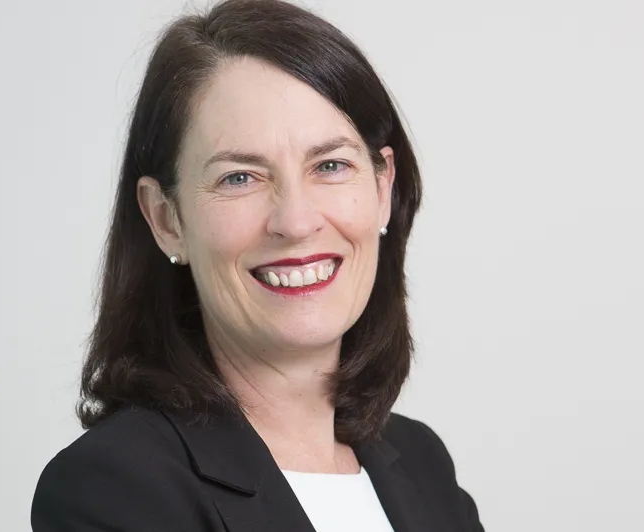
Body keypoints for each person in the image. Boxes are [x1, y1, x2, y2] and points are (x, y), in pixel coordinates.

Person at [31, 0, 485, 530]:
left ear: (383, 187)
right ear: (166, 219)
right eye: (239, 177)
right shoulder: (115, 489)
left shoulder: (424, 466)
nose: (296, 221)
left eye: (330, 165)